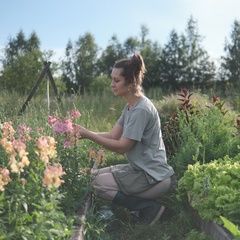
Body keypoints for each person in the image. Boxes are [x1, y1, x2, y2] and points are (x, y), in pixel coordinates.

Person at [77, 53, 178, 225]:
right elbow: (112, 135)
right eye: (112, 79)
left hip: (152, 176)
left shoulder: (141, 110)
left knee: (95, 183)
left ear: (130, 82)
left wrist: (88, 135)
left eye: (117, 80)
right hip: (141, 170)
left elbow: (122, 147)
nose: (112, 84)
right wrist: (83, 132)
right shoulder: (131, 106)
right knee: (90, 176)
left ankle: (147, 208)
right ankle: (141, 206)